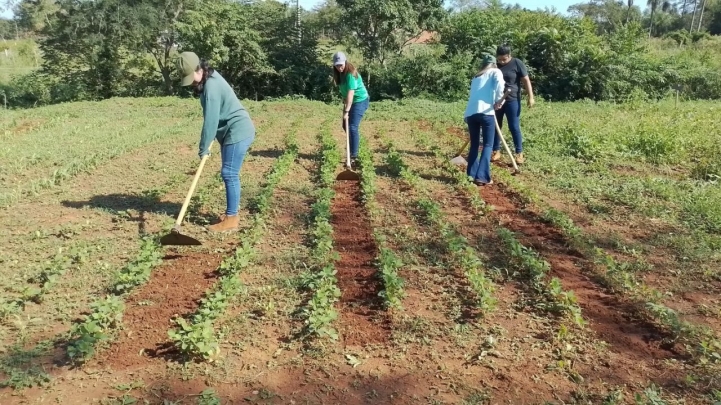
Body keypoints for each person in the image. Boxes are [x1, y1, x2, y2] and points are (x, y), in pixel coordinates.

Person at [176, 51, 256, 232]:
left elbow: (210, 121)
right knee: (229, 172)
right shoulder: (208, 77)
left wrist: (203, 148)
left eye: (191, 77)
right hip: (230, 131)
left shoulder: (211, 88)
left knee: (229, 173)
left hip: (237, 131)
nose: (192, 82)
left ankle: (231, 219)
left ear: (199, 69)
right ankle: (231, 215)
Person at [463, 54, 506, 186]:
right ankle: (482, 177)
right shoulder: (496, 71)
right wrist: (500, 100)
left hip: (471, 113)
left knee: (475, 144)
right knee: (488, 144)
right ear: (494, 64)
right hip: (486, 112)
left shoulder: (476, 77)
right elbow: (500, 86)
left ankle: (471, 175)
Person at [492, 44, 534, 165]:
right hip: (497, 101)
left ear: (510, 56)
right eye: (499, 59)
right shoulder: (495, 65)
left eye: (504, 59)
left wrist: (530, 97)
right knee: (496, 126)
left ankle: (519, 153)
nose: (501, 62)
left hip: (512, 100)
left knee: (514, 126)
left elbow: (526, 80)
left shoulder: (517, 63)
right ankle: (496, 151)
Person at [331, 51, 369, 167]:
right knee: (345, 126)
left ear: (345, 62)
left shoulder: (350, 74)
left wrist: (347, 111)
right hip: (349, 101)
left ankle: (353, 156)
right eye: (337, 65)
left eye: (341, 65)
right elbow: (345, 92)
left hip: (360, 101)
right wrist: (346, 104)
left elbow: (351, 93)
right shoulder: (339, 74)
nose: (339, 67)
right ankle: (353, 143)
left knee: (352, 127)